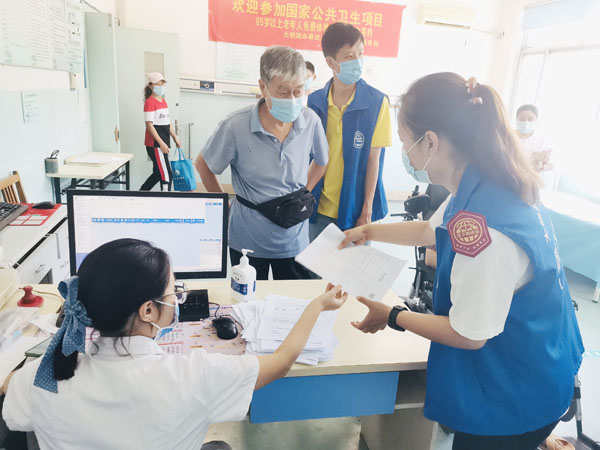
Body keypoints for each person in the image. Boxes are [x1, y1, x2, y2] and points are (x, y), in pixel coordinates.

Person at [341, 73, 584, 450]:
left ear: (431, 142)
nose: (406, 153)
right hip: (542, 361)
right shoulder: (486, 184)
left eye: (405, 142)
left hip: (516, 395)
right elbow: (430, 230)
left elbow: (469, 334)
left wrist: (392, 315)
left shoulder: (486, 233)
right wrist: (369, 230)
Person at [1, 238, 347, 449]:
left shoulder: (42, 378)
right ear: (148, 310)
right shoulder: (195, 375)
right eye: (173, 292)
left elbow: (9, 389)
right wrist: (317, 306)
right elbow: (282, 360)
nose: (177, 299)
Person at [196, 46, 329, 280]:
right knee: (247, 297)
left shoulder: (310, 121)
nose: (292, 99)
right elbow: (204, 164)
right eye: (283, 92)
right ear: (262, 87)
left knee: (293, 299)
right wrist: (223, 207)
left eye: (298, 91)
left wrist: (302, 193)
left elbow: (322, 161)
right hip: (248, 238)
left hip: (293, 238)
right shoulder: (235, 125)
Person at [308, 22, 392, 240]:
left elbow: (374, 161)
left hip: (356, 210)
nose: (357, 61)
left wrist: (366, 210)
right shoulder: (313, 103)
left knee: (353, 262)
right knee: (313, 262)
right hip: (316, 208)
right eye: (349, 56)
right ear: (331, 62)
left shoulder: (377, 103)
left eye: (360, 53)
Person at [140, 72, 182, 191]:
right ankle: (165, 199)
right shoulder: (149, 102)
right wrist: (161, 144)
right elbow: (149, 125)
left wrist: (174, 138)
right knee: (166, 176)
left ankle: (141, 193)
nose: (161, 87)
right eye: (157, 84)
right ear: (150, 86)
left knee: (158, 174)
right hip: (155, 145)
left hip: (163, 143)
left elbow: (167, 123)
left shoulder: (163, 101)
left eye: (162, 84)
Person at [515, 104, 557, 188]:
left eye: (530, 119)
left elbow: (551, 165)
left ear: (536, 120)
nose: (526, 122)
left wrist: (540, 167)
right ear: (516, 119)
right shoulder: (507, 136)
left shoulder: (543, 141)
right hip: (508, 178)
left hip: (529, 182)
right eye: (522, 119)